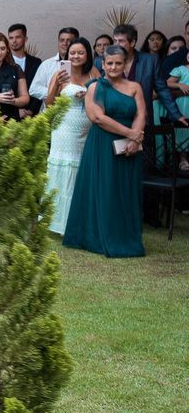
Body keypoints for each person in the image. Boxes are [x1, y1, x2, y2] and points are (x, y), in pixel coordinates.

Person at [62, 45, 146, 257]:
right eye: (109, 63)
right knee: (105, 188)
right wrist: (130, 133)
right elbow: (97, 117)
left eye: (119, 63)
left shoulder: (135, 87)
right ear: (103, 64)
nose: (114, 67)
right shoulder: (95, 87)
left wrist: (135, 139)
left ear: (126, 63)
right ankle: (100, 235)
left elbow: (141, 115)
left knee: (126, 190)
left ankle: (126, 236)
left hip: (130, 145)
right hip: (103, 144)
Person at [43, 38, 99, 235]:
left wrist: (89, 95)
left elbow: (103, 99)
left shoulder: (94, 73)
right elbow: (49, 105)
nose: (76, 56)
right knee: (65, 169)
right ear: (67, 56)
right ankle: (59, 222)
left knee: (82, 170)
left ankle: (80, 220)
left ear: (87, 55)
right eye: (72, 53)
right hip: (63, 130)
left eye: (80, 52)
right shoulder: (60, 75)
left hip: (88, 130)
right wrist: (57, 86)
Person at [29, 27, 79, 109]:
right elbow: (33, 89)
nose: (65, 43)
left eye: (69, 40)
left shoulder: (82, 66)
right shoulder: (47, 65)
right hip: (52, 114)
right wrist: (54, 92)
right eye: (62, 40)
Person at [8, 23, 43, 117]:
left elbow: (40, 87)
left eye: (18, 37)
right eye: (11, 38)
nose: (14, 41)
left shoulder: (36, 62)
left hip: (30, 115)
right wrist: (16, 112)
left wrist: (31, 110)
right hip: (8, 115)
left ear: (25, 39)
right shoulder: (3, 62)